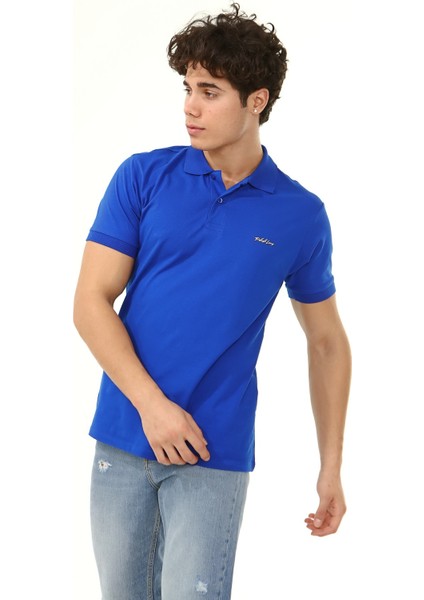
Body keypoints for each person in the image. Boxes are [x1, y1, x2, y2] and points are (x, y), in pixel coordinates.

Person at [74, 3, 351, 599]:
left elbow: (327, 341)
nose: (190, 107)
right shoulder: (142, 177)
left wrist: (330, 466)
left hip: (212, 450)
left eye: (210, 91)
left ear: (257, 101)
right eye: (187, 88)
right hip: (123, 435)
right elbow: (90, 302)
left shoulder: (300, 215)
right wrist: (152, 407)